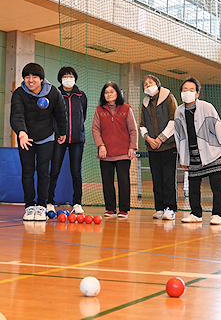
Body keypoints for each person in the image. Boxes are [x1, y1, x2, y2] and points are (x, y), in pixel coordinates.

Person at [10, 63, 67, 221]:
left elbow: (61, 113)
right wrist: (21, 132)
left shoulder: (53, 92)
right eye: (27, 76)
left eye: (34, 76)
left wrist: (63, 132)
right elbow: (17, 115)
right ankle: (29, 206)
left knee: (43, 171)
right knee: (27, 172)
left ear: (41, 79)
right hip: (26, 138)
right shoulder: (19, 94)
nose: (30, 80)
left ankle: (41, 205)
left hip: (47, 136)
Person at [174, 77, 221, 225]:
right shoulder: (179, 112)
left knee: (216, 185)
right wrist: (183, 158)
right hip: (192, 156)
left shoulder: (207, 107)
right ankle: (196, 214)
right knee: (193, 186)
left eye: (191, 90)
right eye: (185, 90)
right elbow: (179, 137)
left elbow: (219, 128)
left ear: (197, 93)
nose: (188, 92)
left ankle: (217, 214)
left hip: (212, 153)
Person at [92, 82, 138, 219]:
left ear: (117, 93)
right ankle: (110, 209)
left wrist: (132, 147)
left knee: (124, 181)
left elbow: (133, 129)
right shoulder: (99, 110)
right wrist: (100, 146)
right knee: (107, 181)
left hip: (124, 152)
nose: (109, 94)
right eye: (106, 92)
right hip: (105, 153)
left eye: (112, 91)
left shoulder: (126, 108)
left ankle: (124, 209)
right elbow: (95, 129)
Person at [47, 67, 87, 215]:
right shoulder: (55, 94)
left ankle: (77, 203)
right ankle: (49, 202)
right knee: (54, 170)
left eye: (70, 76)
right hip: (59, 139)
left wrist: (77, 130)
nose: (68, 78)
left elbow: (83, 115)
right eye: (65, 76)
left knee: (76, 172)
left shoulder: (81, 95)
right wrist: (59, 132)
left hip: (77, 140)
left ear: (75, 78)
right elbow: (51, 116)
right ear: (60, 79)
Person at [140, 74, 178, 220]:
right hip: (152, 147)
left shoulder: (168, 97)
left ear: (157, 83)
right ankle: (160, 207)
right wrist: (149, 139)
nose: (148, 86)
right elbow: (142, 125)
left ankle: (170, 208)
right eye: (145, 84)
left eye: (150, 82)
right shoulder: (145, 103)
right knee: (156, 178)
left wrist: (160, 139)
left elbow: (173, 121)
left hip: (168, 146)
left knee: (168, 178)